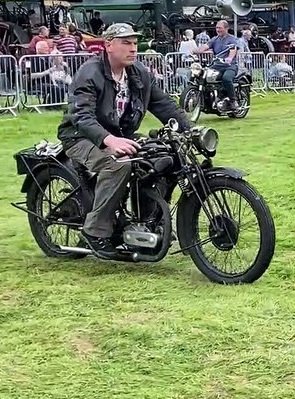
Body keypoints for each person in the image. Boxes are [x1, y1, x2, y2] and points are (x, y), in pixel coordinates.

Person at [57, 23, 192, 259]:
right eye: (126, 42)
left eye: (134, 42)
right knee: (118, 164)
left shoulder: (138, 73)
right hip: (81, 136)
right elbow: (82, 117)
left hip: (121, 134)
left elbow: (164, 105)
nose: (133, 48)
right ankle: (95, 230)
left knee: (163, 158)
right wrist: (109, 140)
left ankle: (148, 224)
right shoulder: (90, 73)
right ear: (108, 45)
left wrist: (190, 129)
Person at [200, 20, 243, 109]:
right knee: (203, 76)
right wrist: (193, 51)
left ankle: (233, 100)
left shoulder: (232, 39)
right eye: (216, 28)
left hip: (230, 66)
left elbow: (233, 49)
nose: (217, 30)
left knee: (226, 78)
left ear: (226, 28)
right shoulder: (215, 39)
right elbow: (205, 47)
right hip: (217, 66)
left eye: (220, 28)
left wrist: (230, 58)